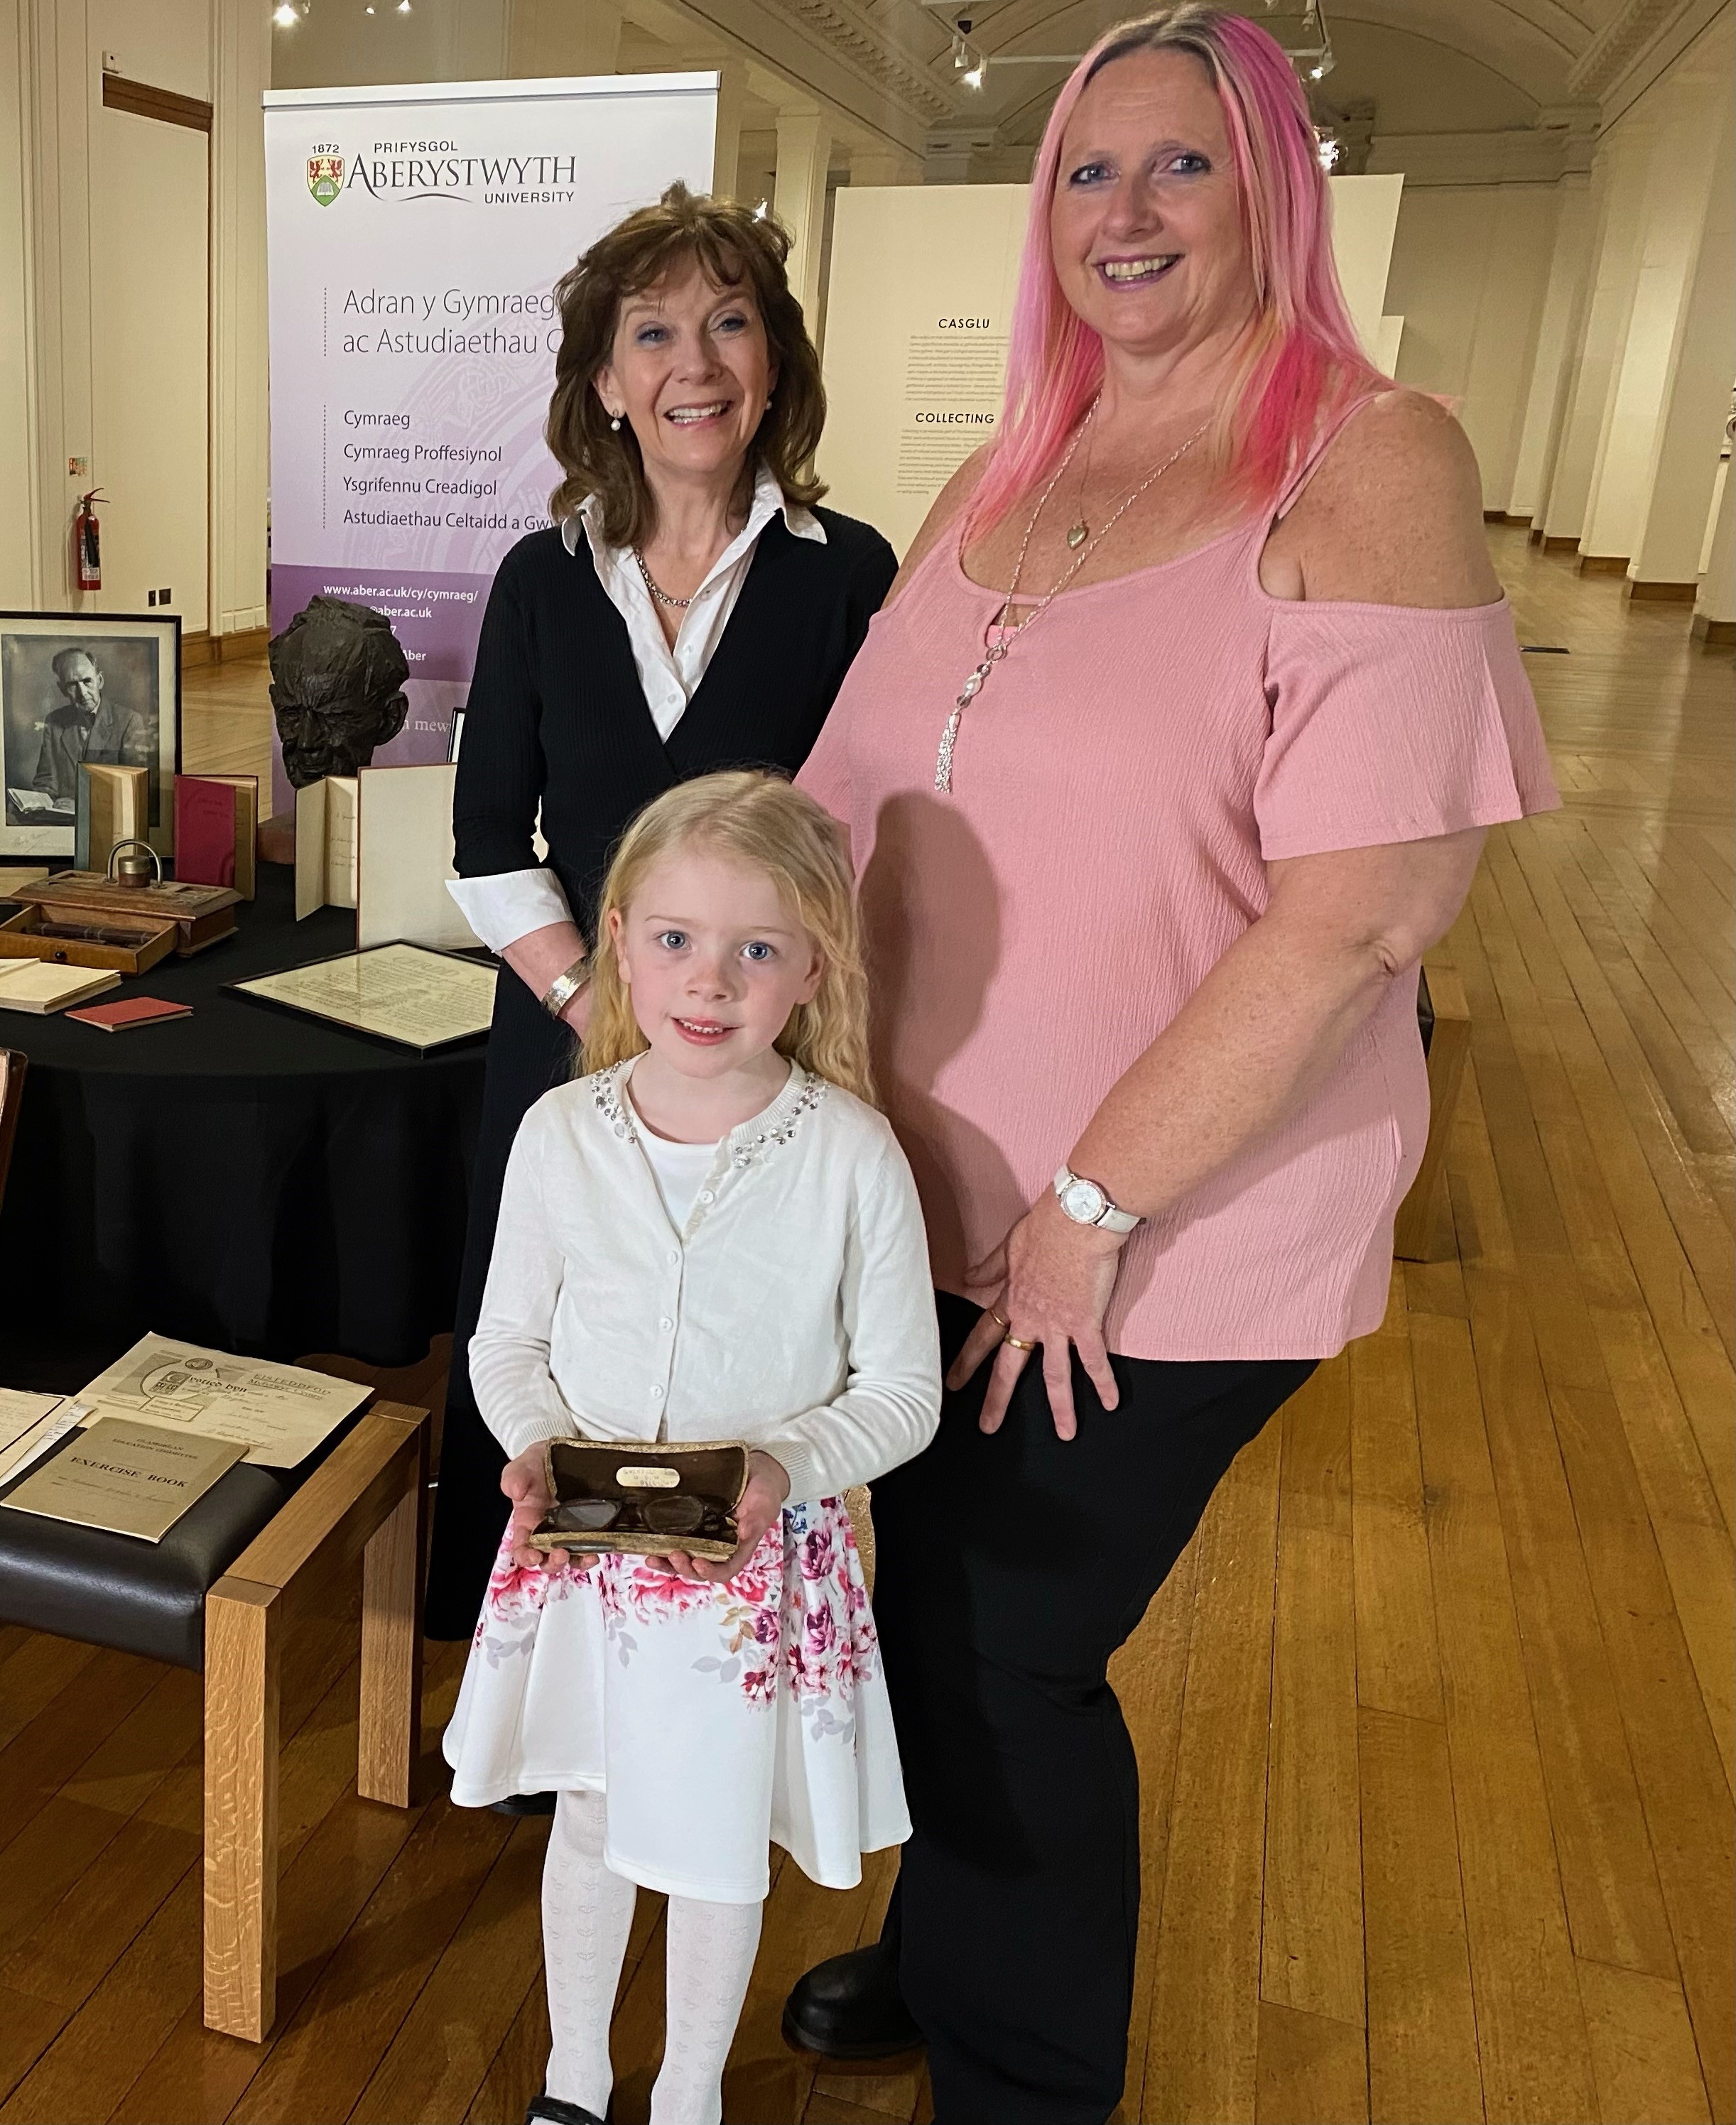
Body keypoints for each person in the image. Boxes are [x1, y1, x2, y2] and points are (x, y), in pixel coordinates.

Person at [776, 11, 1560, 2118]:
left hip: (1154, 1230)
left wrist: (1088, 1213)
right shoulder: (1008, 461)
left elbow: (1366, 915)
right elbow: (837, 808)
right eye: (1087, 175)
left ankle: (1026, 2081)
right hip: (918, 1198)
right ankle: (945, 1951)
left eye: (1180, 168)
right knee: (918, 1601)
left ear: (1273, 190)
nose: (1124, 216)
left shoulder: (1368, 456)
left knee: (1001, 1647)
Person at [431, 183, 899, 1648]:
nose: (693, 362)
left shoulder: (850, 579)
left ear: (773, 367)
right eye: (654, 334)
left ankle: (720, 1648)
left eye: (729, 322)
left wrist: (738, 1019)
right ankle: (539, 1643)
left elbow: (865, 850)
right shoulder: (538, 579)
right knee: (560, 1330)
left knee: (734, 1342)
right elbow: (485, 841)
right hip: (569, 1036)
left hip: (768, 1058)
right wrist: (601, 1001)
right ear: (606, 385)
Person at [443, 771, 940, 2125]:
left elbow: (904, 1391)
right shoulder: (559, 1136)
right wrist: (538, 1442)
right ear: (614, 939)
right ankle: (572, 2079)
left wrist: (786, 1466)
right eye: (672, 939)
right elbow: (507, 1343)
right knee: (594, 1818)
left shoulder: (850, 1156)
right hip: (590, 1564)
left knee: (717, 1846)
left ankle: (688, 2093)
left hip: (755, 1578)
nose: (707, 981)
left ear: (809, 971)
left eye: (754, 949)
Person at [26, 646, 157, 815]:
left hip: (111, 816)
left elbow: (134, 789)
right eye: (73, 685)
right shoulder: (54, 722)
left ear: (100, 680)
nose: (83, 693)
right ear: (62, 689)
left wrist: (84, 806)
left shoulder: (129, 721)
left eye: (87, 681)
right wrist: (37, 802)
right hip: (61, 816)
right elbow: (46, 782)